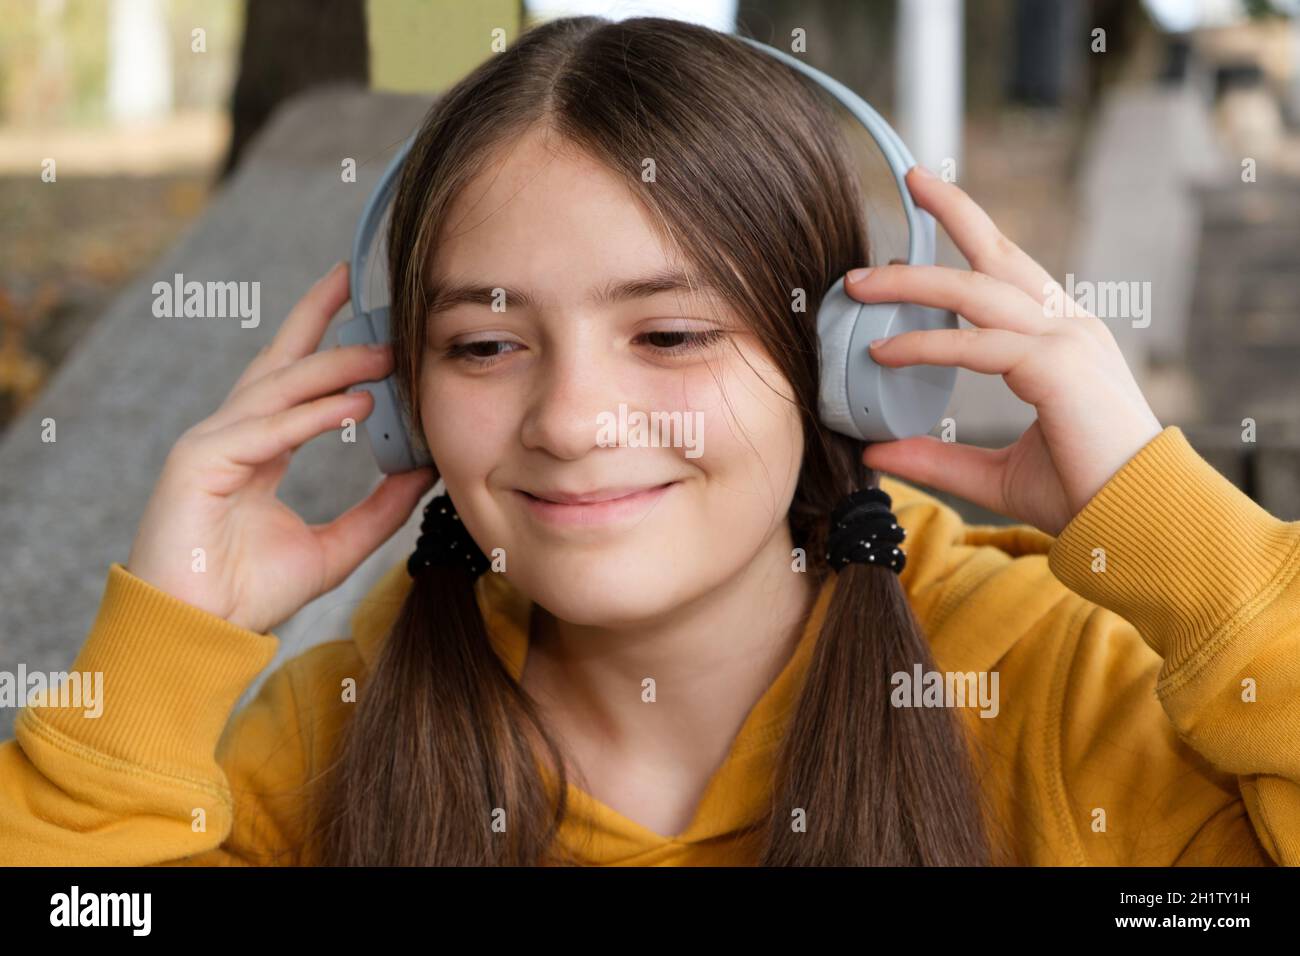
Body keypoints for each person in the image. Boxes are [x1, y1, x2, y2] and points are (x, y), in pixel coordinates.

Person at [3, 15, 1297, 867]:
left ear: (840, 366)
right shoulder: (327, 742)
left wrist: (1188, 546)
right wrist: (156, 659)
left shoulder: (1058, 697)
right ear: (401, 397)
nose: (572, 420)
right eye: (485, 346)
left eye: (672, 337)